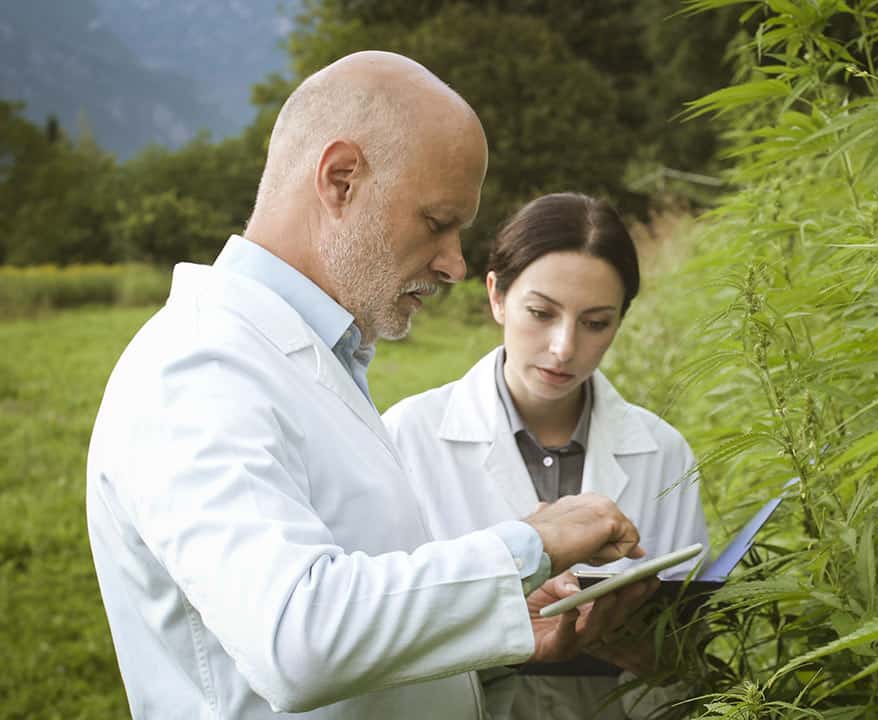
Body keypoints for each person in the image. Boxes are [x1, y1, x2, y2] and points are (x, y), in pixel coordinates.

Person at [85, 52, 653, 719]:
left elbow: (354, 612)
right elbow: (296, 638)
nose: (454, 264)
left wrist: (492, 634)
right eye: (438, 222)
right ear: (340, 179)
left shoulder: (309, 357)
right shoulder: (197, 368)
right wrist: (530, 544)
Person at [382, 193, 710, 719]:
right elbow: (382, 631)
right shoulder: (407, 436)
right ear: (496, 297)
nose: (563, 347)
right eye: (540, 313)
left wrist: (656, 658)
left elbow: (688, 649)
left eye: (595, 323)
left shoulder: (663, 452)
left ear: (620, 322)